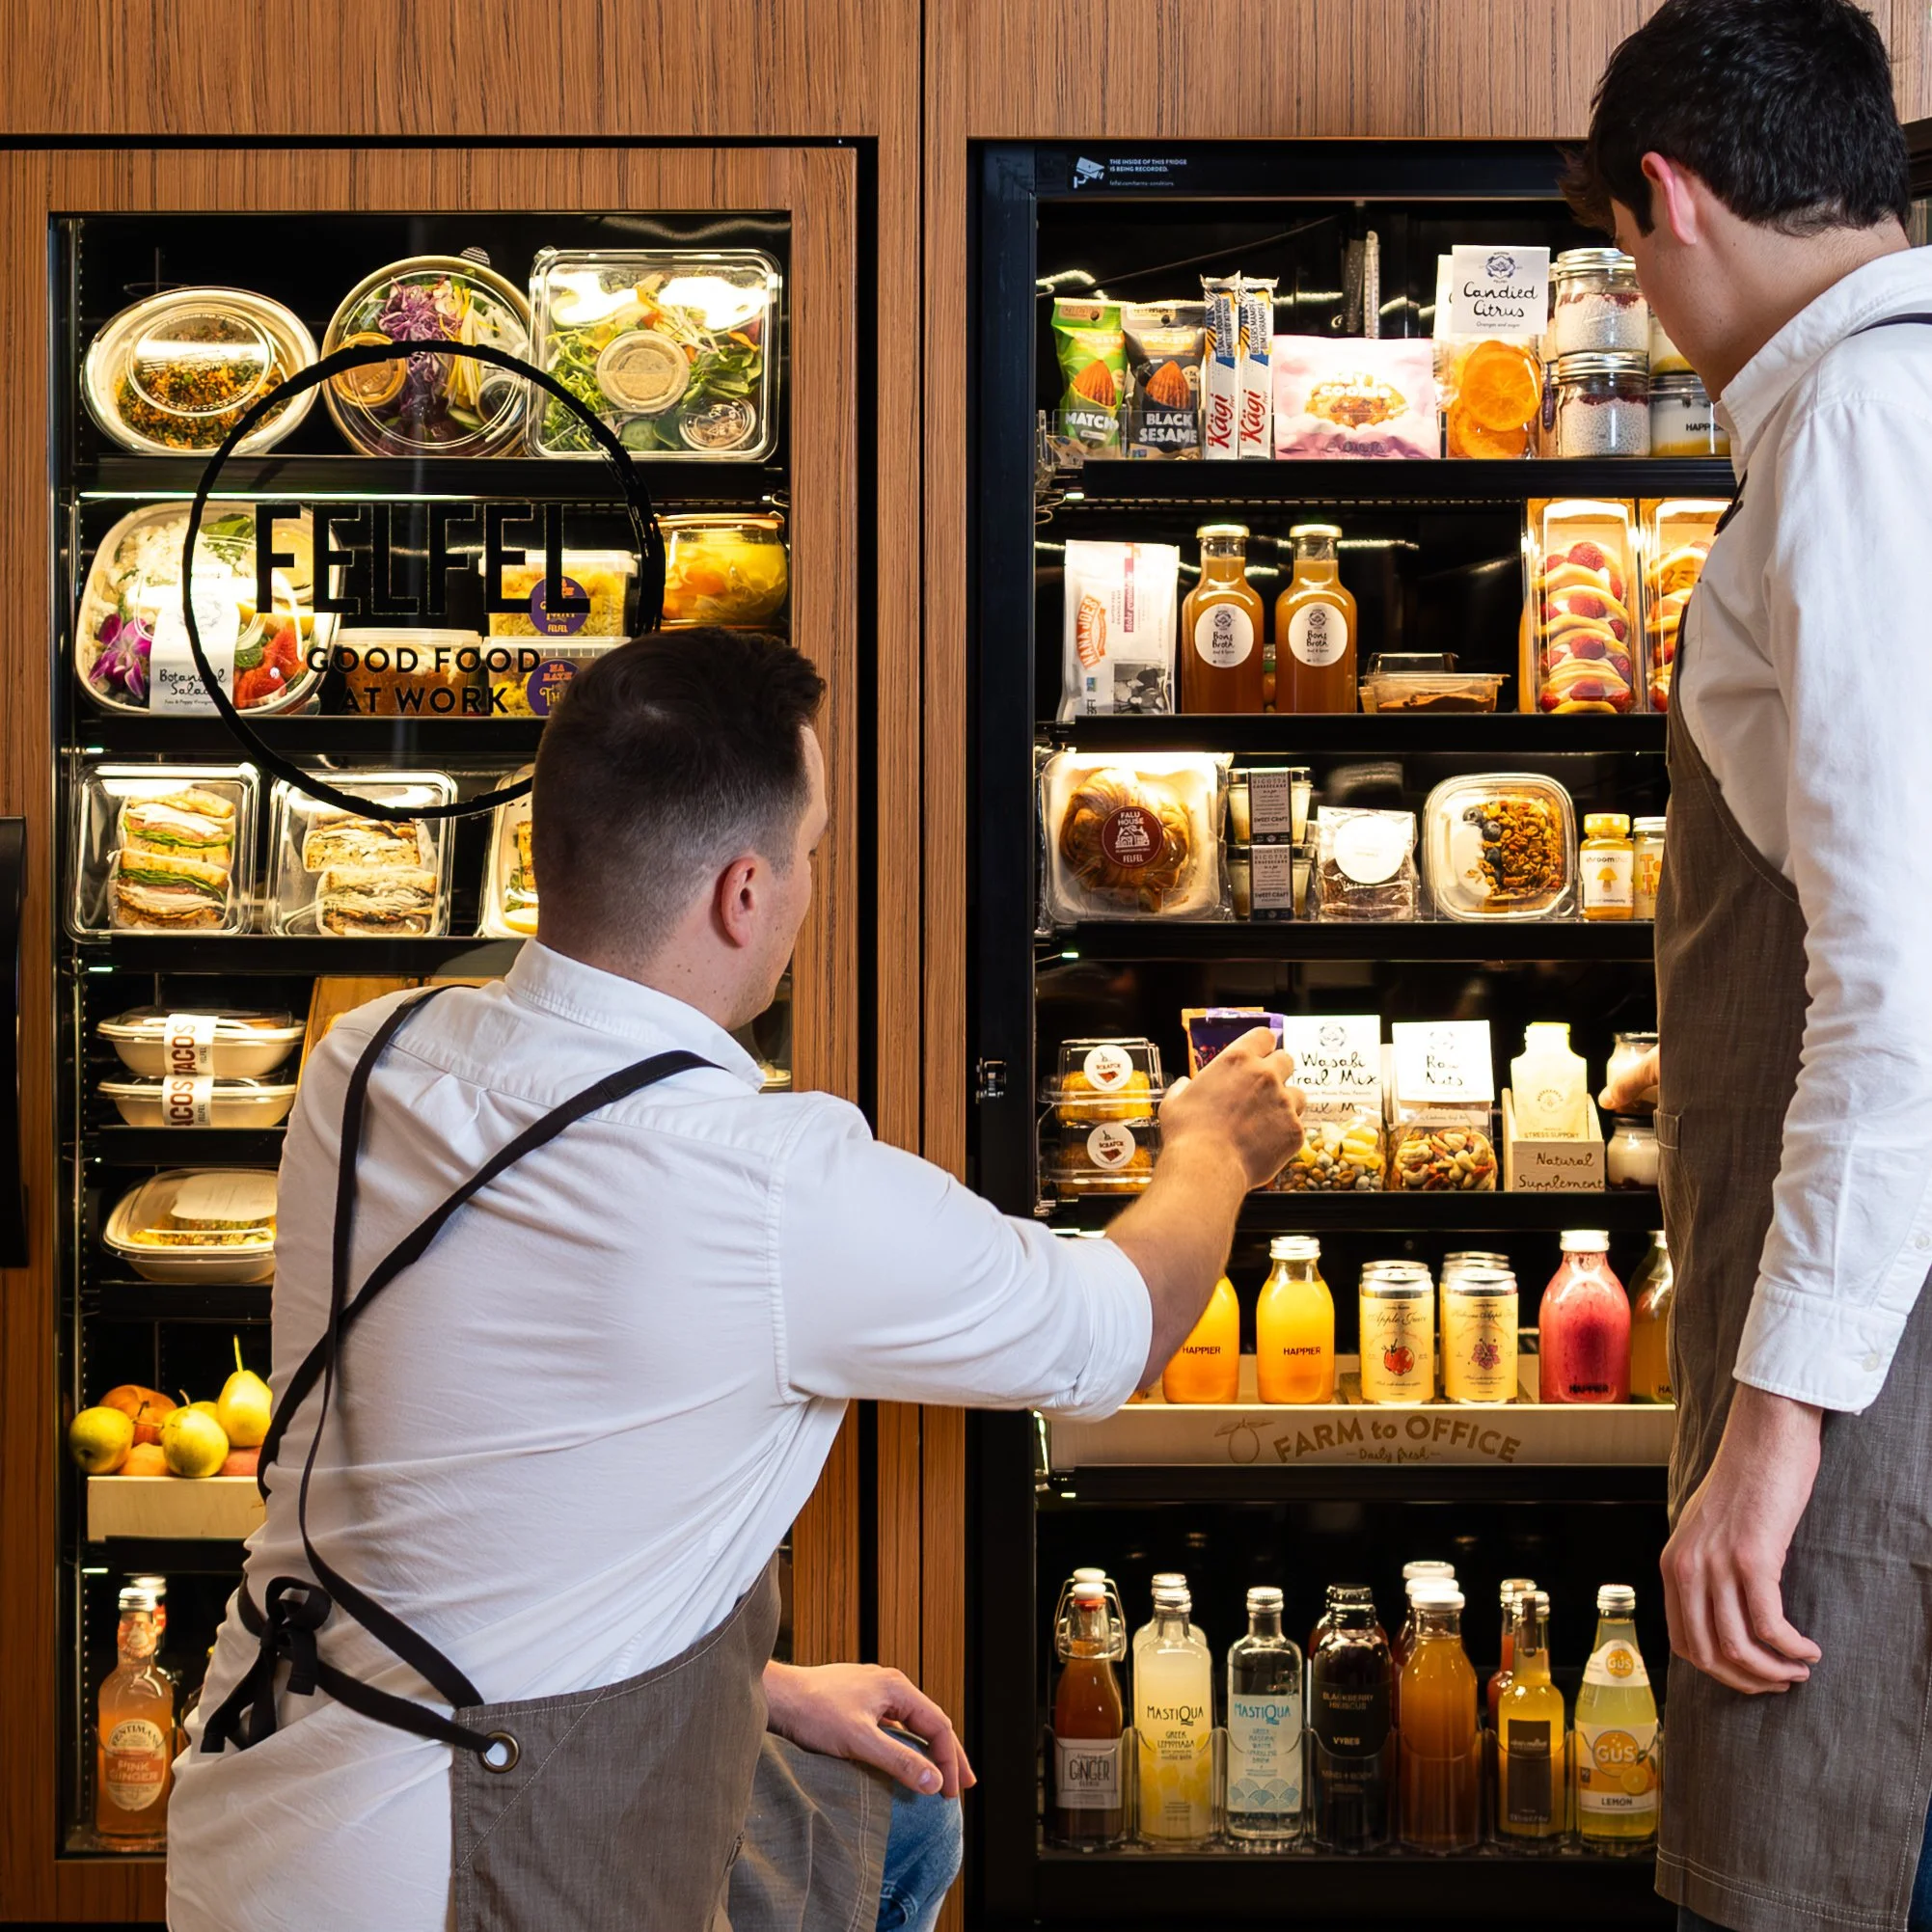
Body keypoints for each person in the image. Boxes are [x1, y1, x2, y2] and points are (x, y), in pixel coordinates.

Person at [165, 628, 1304, 1932]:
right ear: (743, 893)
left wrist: (752, 1683)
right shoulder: (765, 1179)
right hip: (463, 1866)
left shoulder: (367, 1060)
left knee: (888, 1809)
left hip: (256, 1801)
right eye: (813, 852)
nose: (814, 885)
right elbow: (1116, 1327)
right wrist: (1210, 1149)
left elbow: (481, 1492)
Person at [1572, 3, 1932, 1928]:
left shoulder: (1859, 425)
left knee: (1823, 1851)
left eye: (1620, 254)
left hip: (1879, 1374)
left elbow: (1902, 972)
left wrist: (1766, 1422)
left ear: (1665, 197)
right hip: (1867, 1291)